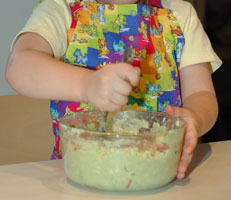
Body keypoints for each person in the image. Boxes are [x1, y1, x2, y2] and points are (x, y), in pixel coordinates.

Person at [5, 0, 222, 180]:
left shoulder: (181, 15)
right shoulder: (62, 10)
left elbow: (201, 94)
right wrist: (85, 85)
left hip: (161, 175)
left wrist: (196, 118)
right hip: (79, 176)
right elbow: (19, 66)